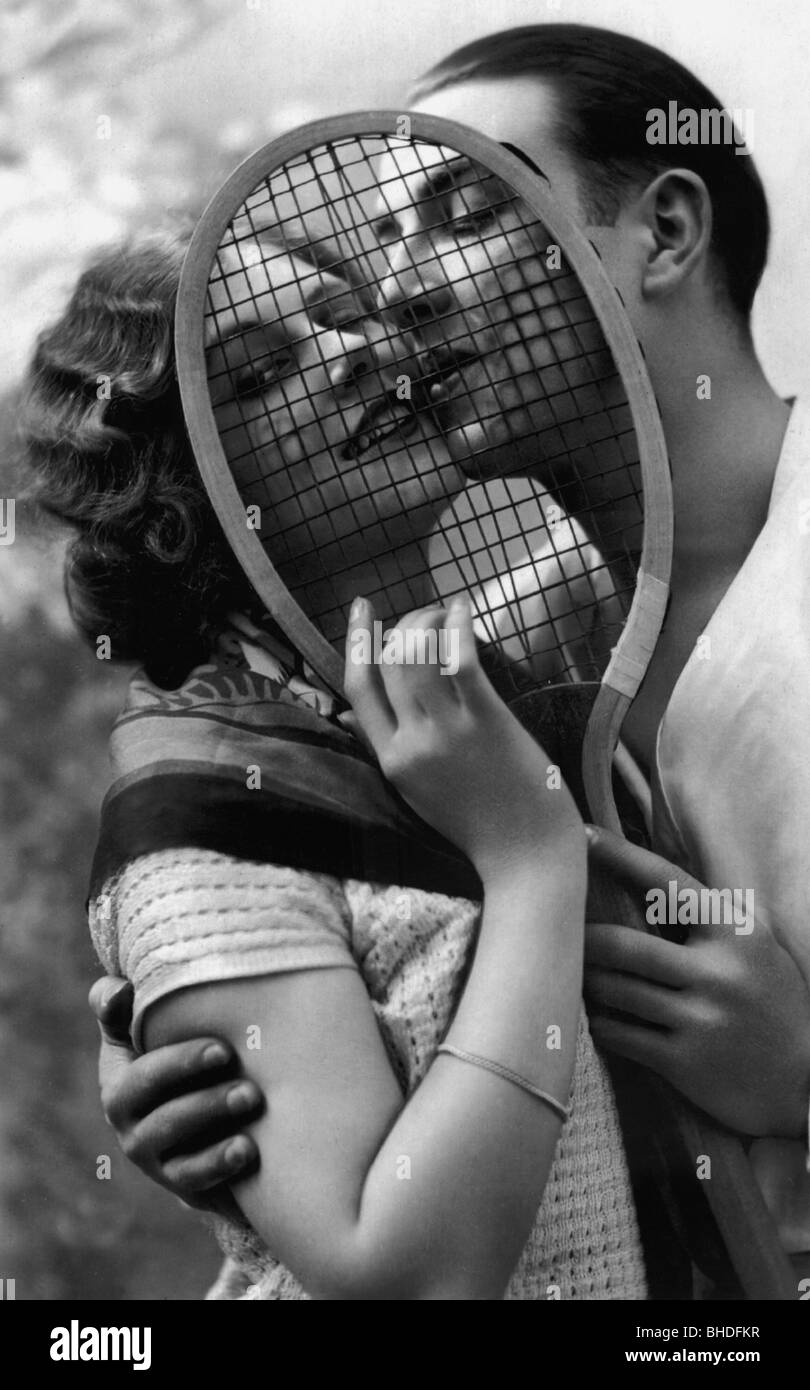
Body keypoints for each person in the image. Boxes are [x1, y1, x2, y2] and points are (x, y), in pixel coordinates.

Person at [93, 22, 810, 1287]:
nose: (401, 298)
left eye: (467, 210)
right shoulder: (513, 675)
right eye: (384, 246)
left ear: (668, 231)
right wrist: (207, 1039)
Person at [22, 219, 647, 1299]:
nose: (354, 353)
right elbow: (412, 1281)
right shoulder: (202, 815)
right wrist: (535, 864)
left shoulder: (483, 687)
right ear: (181, 500)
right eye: (265, 374)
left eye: (346, 318)